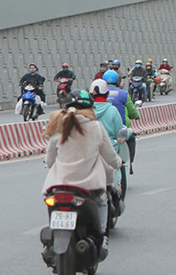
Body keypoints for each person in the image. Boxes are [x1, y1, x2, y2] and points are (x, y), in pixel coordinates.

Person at [41, 91, 122, 260]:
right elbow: (110, 156)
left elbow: (49, 160)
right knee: (102, 202)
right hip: (88, 187)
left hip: (59, 186)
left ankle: (50, 241)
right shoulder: (96, 127)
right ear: (90, 109)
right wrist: (118, 163)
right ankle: (102, 238)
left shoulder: (58, 125)